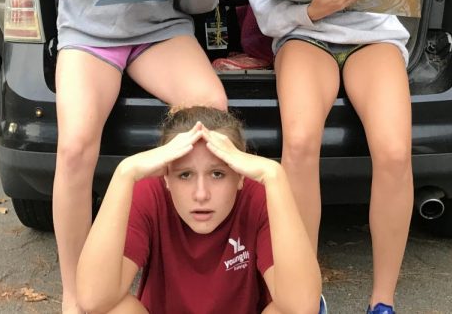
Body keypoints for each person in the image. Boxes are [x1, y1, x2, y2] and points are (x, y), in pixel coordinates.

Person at [45, 0, 234, 313]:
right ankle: (74, 290)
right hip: (91, 35)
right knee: (76, 145)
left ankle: (175, 261)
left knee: (209, 115)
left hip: (157, 32)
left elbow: (190, 4)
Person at [246, 0, 412, 314]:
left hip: (371, 36)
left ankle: (382, 300)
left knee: (393, 152)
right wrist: (309, 16)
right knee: (297, 146)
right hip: (308, 37)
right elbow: (263, 2)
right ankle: (305, 291)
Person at [75, 106, 322, 314]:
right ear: (166, 178)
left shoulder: (258, 194)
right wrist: (125, 173)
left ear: (240, 176)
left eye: (217, 174)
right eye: (185, 175)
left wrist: (274, 175)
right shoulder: (150, 192)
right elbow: (94, 299)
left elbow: (302, 305)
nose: (201, 194)